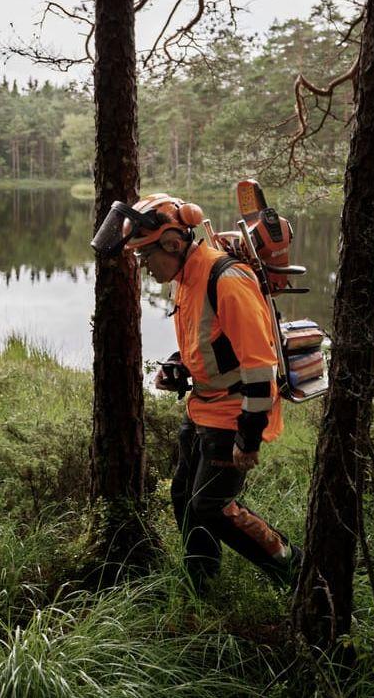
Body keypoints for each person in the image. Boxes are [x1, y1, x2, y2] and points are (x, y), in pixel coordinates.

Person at [91, 193, 303, 591]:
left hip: (234, 413)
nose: (144, 267)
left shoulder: (226, 279)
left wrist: (249, 434)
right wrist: (178, 366)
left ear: (172, 243)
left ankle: (294, 568)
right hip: (201, 408)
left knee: (212, 505)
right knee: (184, 496)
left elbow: (259, 364)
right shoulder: (185, 277)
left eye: (146, 257)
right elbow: (207, 339)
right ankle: (202, 584)